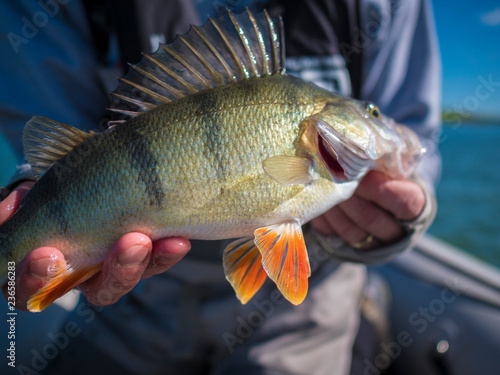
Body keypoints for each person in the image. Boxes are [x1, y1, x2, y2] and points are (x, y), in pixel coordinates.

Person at [0, 0, 440, 374]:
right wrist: (30, 193)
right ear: (324, 125)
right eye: (372, 114)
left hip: (310, 311)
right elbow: (43, 129)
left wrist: (401, 220)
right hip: (131, 305)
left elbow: (421, 140)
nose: (382, 124)